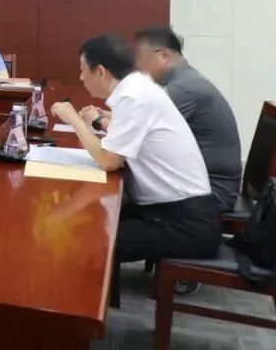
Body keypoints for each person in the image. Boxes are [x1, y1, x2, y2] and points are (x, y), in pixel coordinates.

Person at [50, 34, 220, 265]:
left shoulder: (133, 96)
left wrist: (74, 120)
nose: (80, 77)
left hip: (185, 223)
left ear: (101, 72)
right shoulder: (139, 86)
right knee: (92, 218)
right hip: (171, 211)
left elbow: (109, 160)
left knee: (88, 238)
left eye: (82, 70)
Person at [133, 25, 242, 212]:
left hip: (211, 192)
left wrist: (99, 122)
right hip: (206, 185)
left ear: (164, 55)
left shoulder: (184, 89)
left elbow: (138, 135)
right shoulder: (185, 80)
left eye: (141, 58)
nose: (138, 66)